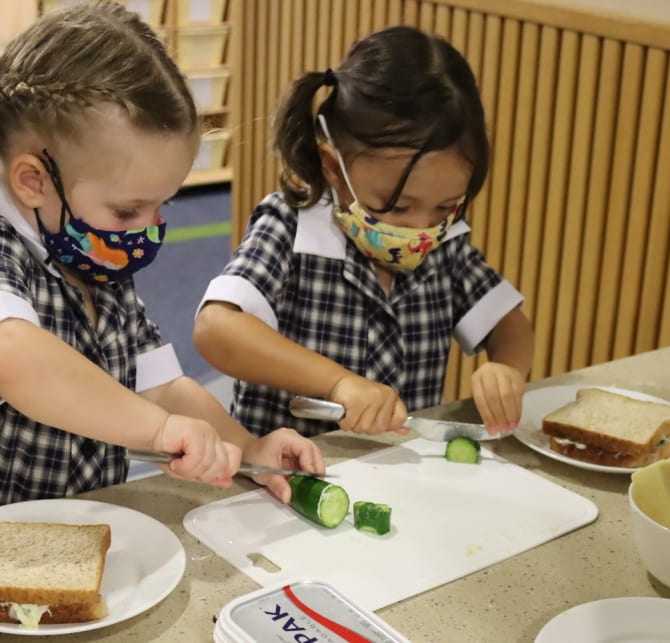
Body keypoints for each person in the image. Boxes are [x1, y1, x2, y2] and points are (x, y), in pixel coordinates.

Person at [0, 2, 322, 536]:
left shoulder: (94, 249)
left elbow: (159, 385)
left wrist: (248, 447)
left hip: (78, 534)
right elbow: (13, 356)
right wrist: (158, 430)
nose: (147, 228)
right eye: (127, 211)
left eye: (160, 206)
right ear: (32, 181)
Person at [194, 26, 534, 439]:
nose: (420, 227)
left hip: (398, 470)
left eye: (445, 207)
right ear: (334, 167)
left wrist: (507, 369)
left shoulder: (446, 245)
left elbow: (510, 323)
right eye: (395, 205)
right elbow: (216, 329)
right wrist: (338, 382)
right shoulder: (291, 225)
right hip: (290, 477)